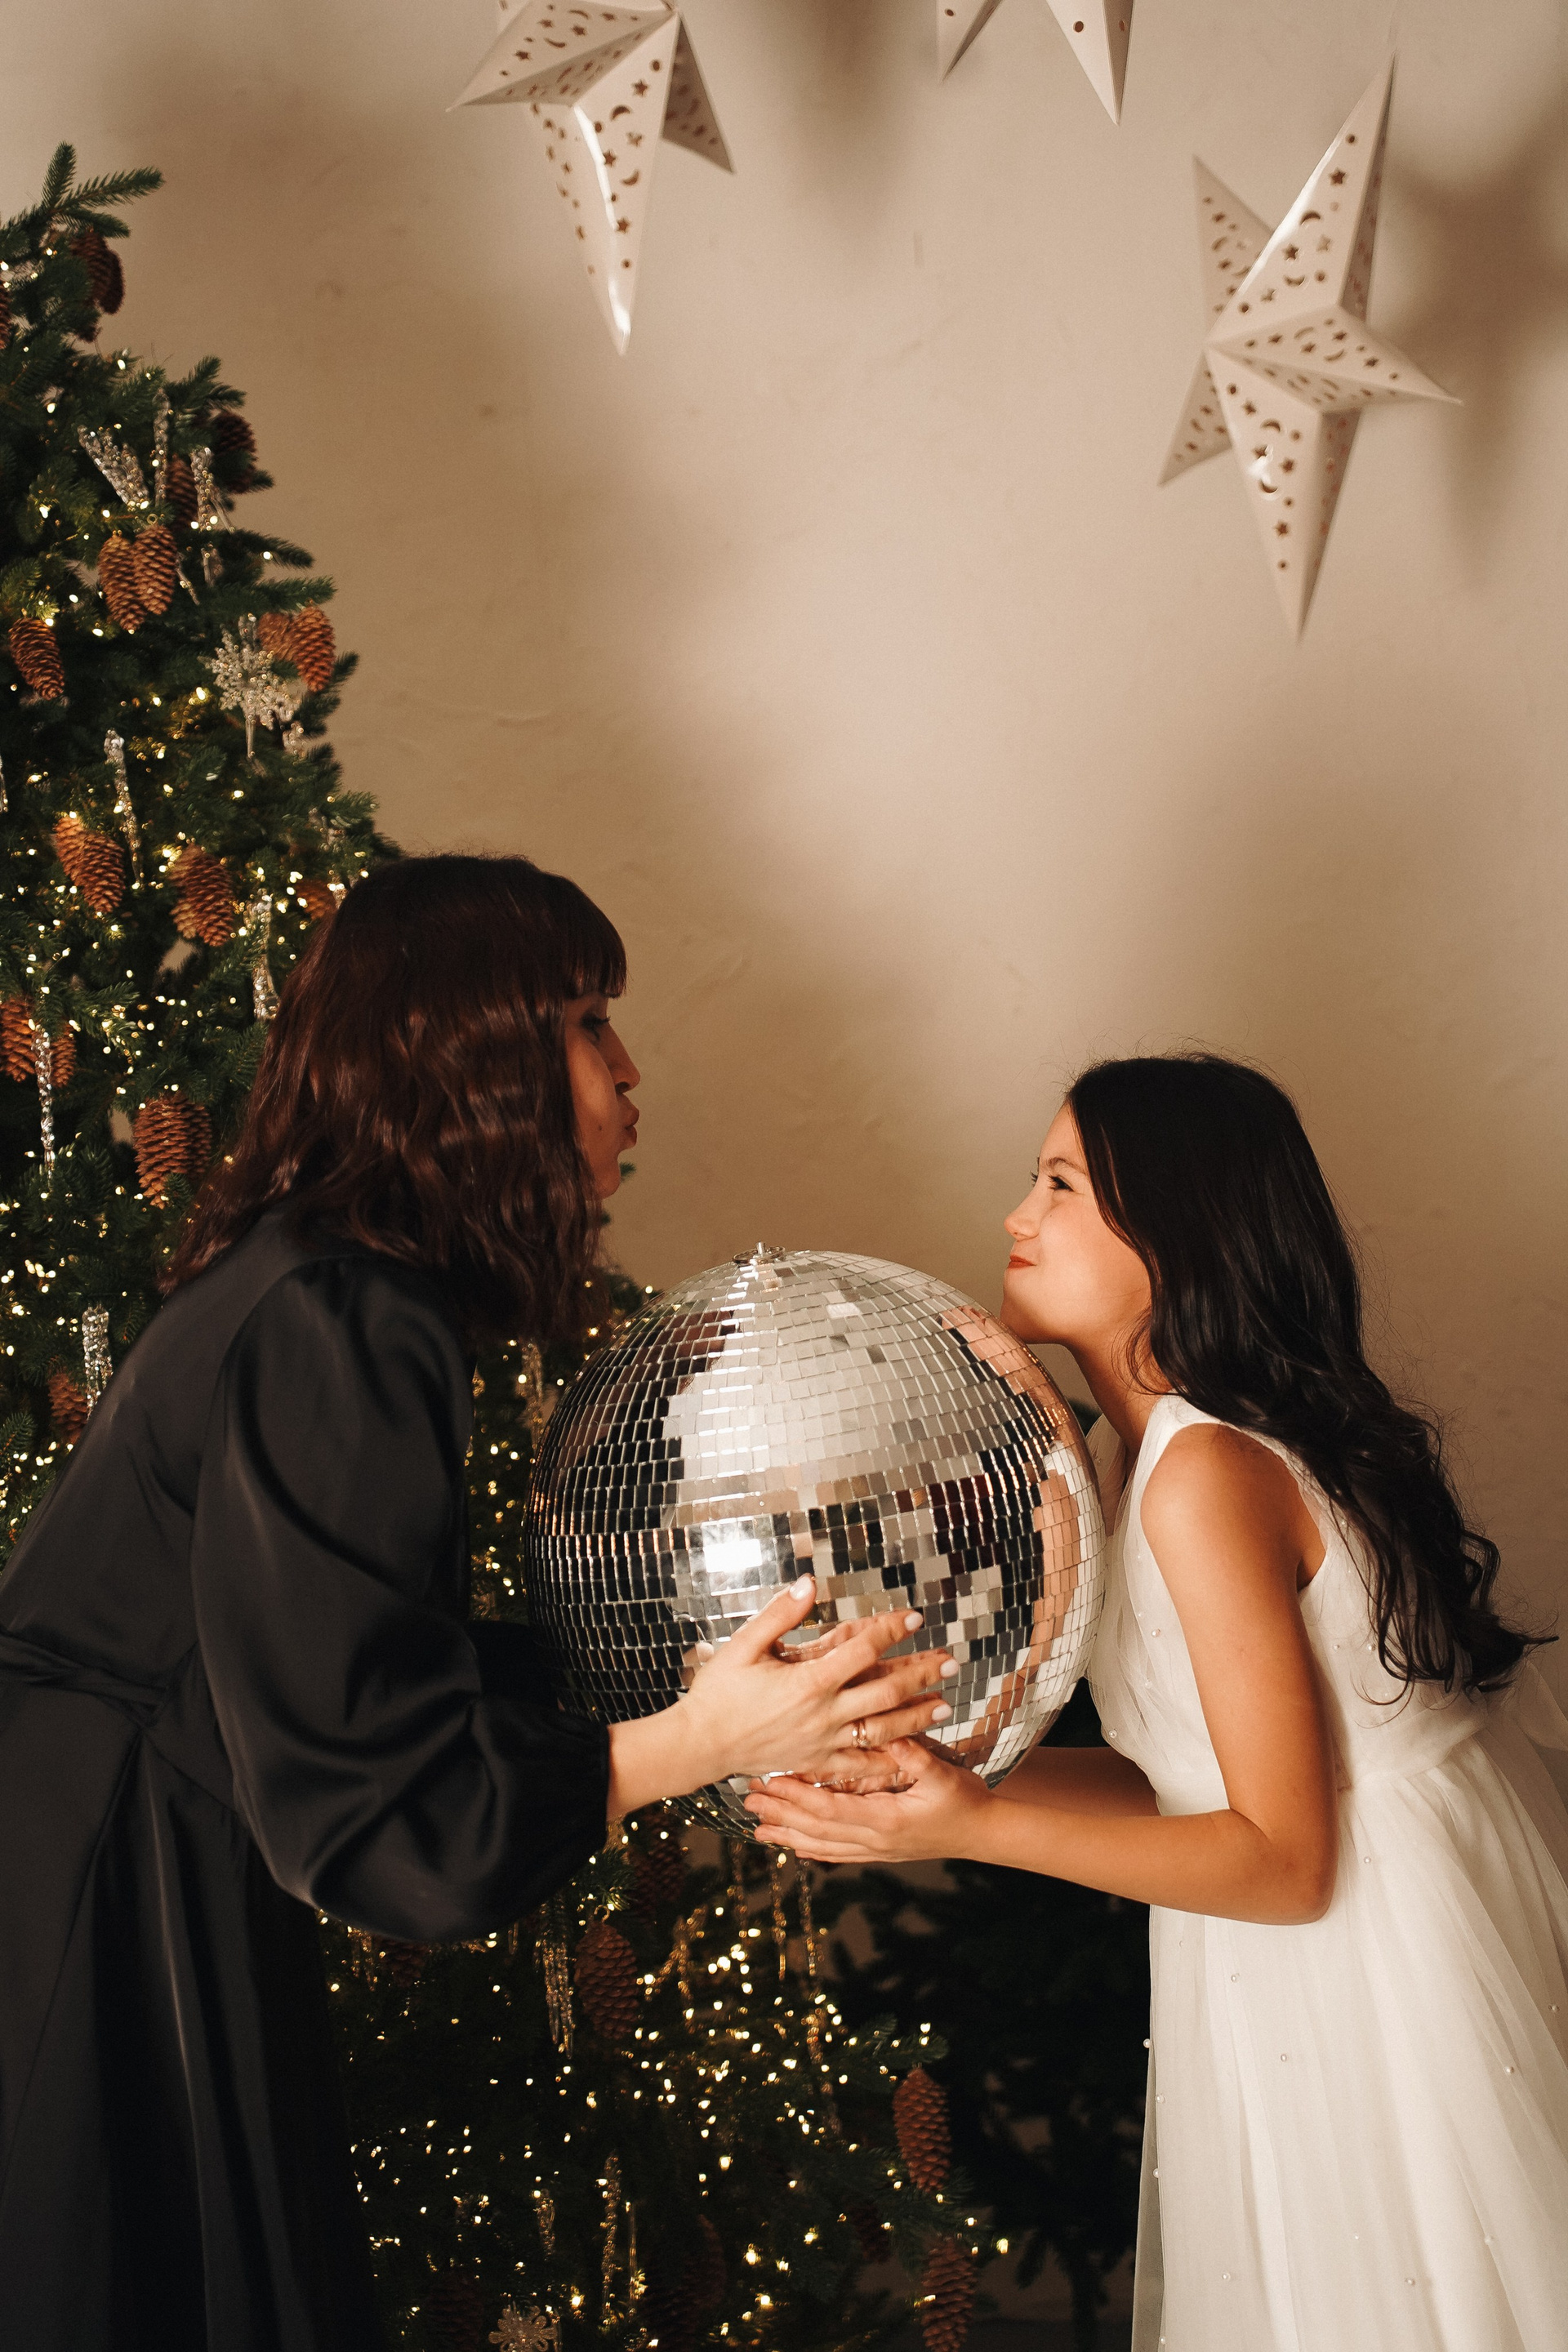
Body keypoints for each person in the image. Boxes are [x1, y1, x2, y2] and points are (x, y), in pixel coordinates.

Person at [0, 854, 956, 2352]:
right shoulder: (338, 1312)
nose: (629, 1074)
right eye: (586, 1023)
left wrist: (695, 1684)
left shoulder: (323, 1280)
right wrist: (700, 1741)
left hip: (106, 1851)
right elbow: (378, 1811)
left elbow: (370, 1663)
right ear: (470, 1060)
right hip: (104, 1896)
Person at [747, 1051, 1568, 2352]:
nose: (1017, 1215)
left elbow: (1288, 1862)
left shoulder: (1204, 1475)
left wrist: (971, 1826)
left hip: (1367, 1960)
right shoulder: (1137, 1454)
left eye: (1061, 1184)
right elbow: (1181, 1777)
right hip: (1294, 1952)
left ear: (1175, 1231)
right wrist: (947, 1780)